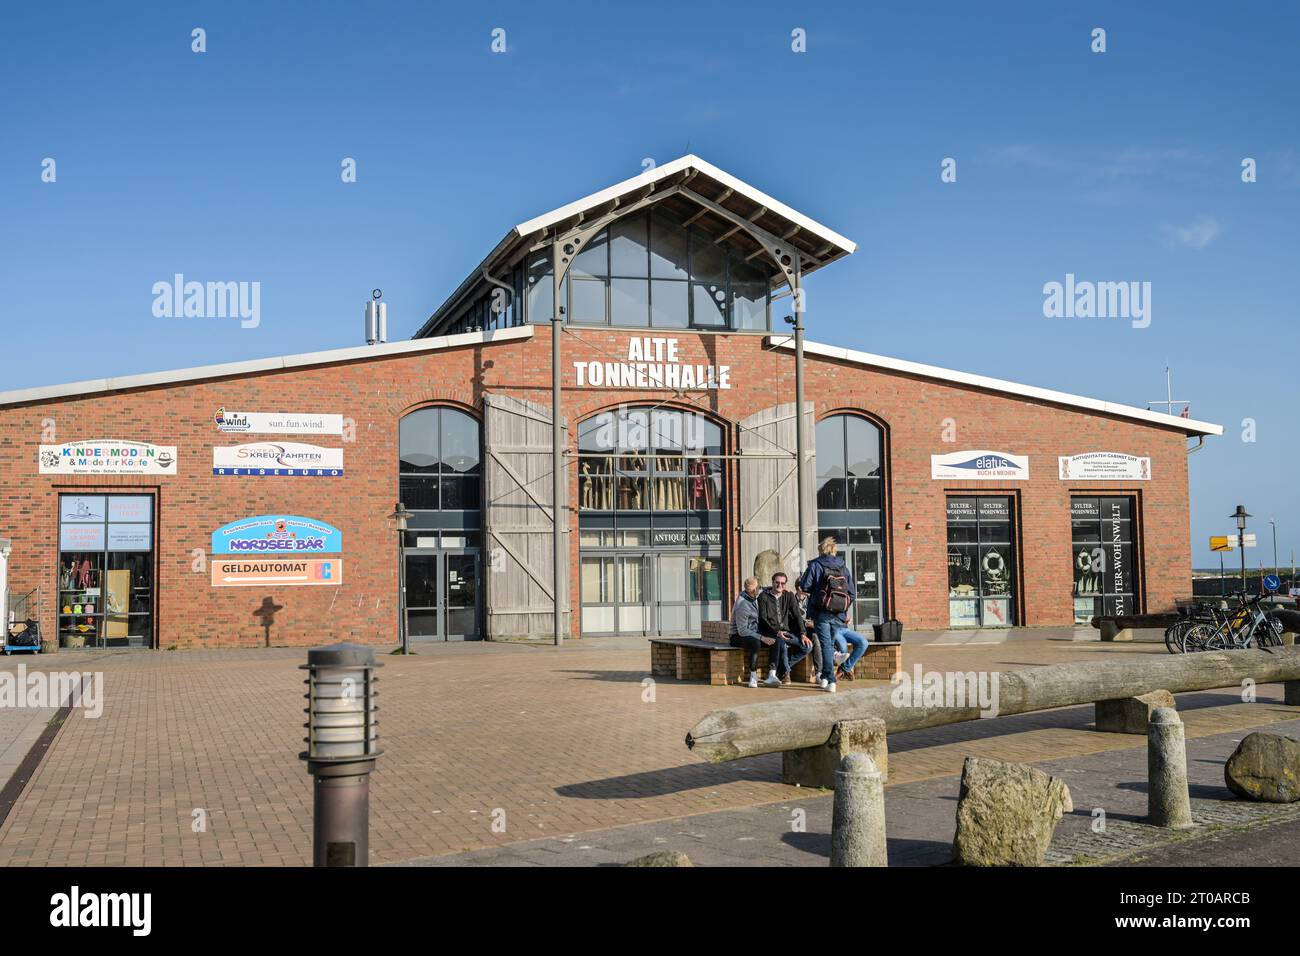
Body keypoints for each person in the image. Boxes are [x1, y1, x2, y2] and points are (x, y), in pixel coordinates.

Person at [799, 536, 869, 692]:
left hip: (821, 612)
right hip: (839, 613)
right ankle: (825, 677)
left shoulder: (816, 565)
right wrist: (842, 606)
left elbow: (805, 586)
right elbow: (852, 592)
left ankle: (831, 681)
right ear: (834, 550)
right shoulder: (843, 567)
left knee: (826, 645)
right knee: (829, 644)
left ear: (821, 550)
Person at [758, 571, 812, 684]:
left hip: (786, 632)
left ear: (785, 584)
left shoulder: (789, 596)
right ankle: (785, 674)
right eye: (777, 583)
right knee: (781, 643)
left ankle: (783, 669)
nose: (780, 585)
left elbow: (797, 615)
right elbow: (763, 619)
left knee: (807, 646)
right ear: (772, 582)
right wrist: (776, 632)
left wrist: (803, 633)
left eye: (783, 583)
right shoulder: (763, 596)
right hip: (770, 632)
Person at [729, 576, 773, 688]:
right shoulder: (742, 604)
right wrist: (761, 637)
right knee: (755, 642)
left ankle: (773, 673)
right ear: (754, 590)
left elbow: (766, 589)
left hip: (753, 632)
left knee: (775, 640)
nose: (760, 589)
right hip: (737, 636)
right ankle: (753, 676)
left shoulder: (751, 595)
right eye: (758, 587)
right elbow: (742, 631)